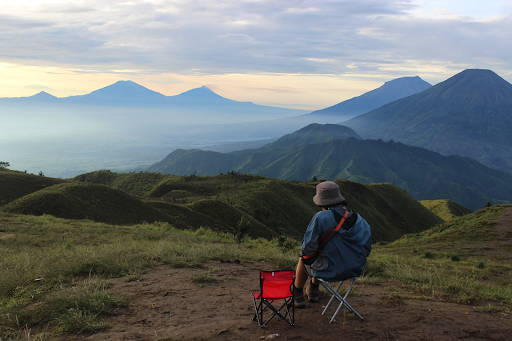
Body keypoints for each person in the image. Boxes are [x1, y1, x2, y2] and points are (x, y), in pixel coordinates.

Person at [294, 181, 372, 308]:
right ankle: (313, 290)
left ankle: (297, 294)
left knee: (304, 258)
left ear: (321, 202)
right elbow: (367, 249)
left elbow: (308, 249)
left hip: (328, 270)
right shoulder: (361, 220)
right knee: (320, 255)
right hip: (354, 270)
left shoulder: (321, 218)